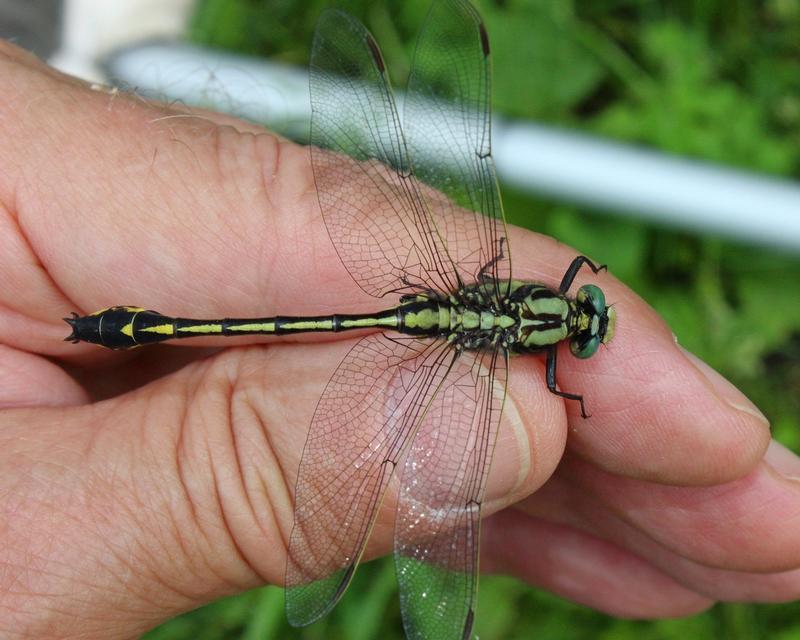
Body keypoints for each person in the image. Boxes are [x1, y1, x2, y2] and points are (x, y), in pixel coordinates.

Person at [0, 40, 796, 640]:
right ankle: (130, 331)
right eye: (583, 307)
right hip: (432, 324)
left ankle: (125, 327)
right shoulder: (546, 358)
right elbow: (556, 382)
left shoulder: (532, 289)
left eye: (579, 321)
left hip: (436, 316)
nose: (582, 313)